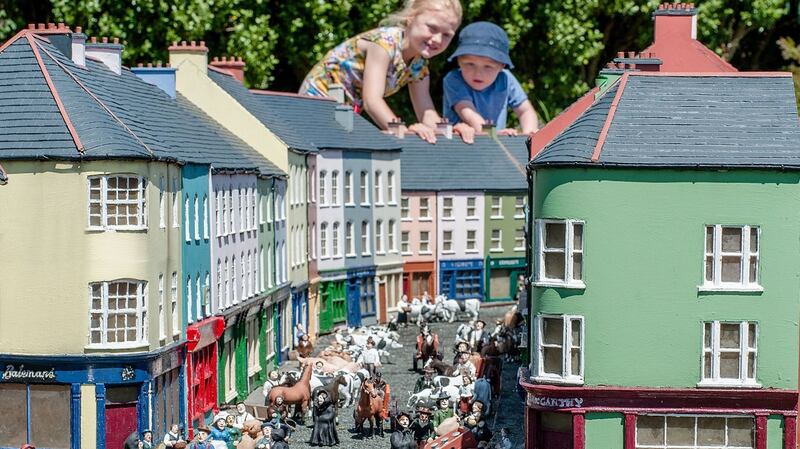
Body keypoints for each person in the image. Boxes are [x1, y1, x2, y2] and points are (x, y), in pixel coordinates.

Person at [300, 0, 469, 144]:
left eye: (447, 35)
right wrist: (403, 134)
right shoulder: (384, 44)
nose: (438, 39)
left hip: (344, 110)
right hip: (317, 99)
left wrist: (448, 134)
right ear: (411, 18)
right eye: (432, 28)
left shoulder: (419, 64)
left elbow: (426, 110)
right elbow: (372, 101)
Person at [442, 22, 538, 136]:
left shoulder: (506, 78)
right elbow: (468, 112)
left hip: (493, 142)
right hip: (459, 146)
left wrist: (530, 136)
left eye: (488, 66)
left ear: (501, 66)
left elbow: (525, 111)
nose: (478, 73)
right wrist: (495, 135)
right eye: (470, 64)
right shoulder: (454, 79)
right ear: (459, 61)